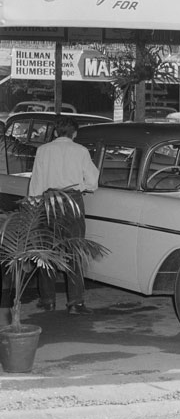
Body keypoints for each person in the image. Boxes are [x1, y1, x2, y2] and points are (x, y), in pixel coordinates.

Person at [27, 117, 99, 314]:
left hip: (48, 201)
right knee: (75, 249)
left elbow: (37, 181)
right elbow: (93, 181)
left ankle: (48, 299)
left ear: (56, 132)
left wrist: (34, 205)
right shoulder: (81, 151)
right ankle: (75, 302)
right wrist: (81, 188)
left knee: (47, 249)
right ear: (74, 133)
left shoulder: (43, 150)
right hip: (72, 202)